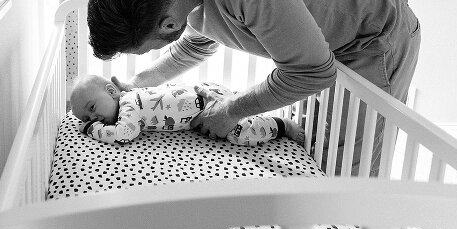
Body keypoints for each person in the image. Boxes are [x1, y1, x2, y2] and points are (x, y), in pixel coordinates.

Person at [86, 0, 421, 175]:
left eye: (147, 48)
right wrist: (141, 83)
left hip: (374, 36)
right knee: (310, 144)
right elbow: (197, 44)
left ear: (168, 25)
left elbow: (312, 72)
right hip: (326, 45)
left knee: (346, 167)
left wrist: (231, 110)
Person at [69, 74, 304, 146]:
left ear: (112, 92)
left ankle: (281, 125)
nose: (94, 117)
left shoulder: (129, 104)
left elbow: (123, 134)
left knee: (239, 133)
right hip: (204, 93)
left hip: (209, 104)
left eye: (92, 108)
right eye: (88, 117)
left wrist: (91, 128)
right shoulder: (133, 96)